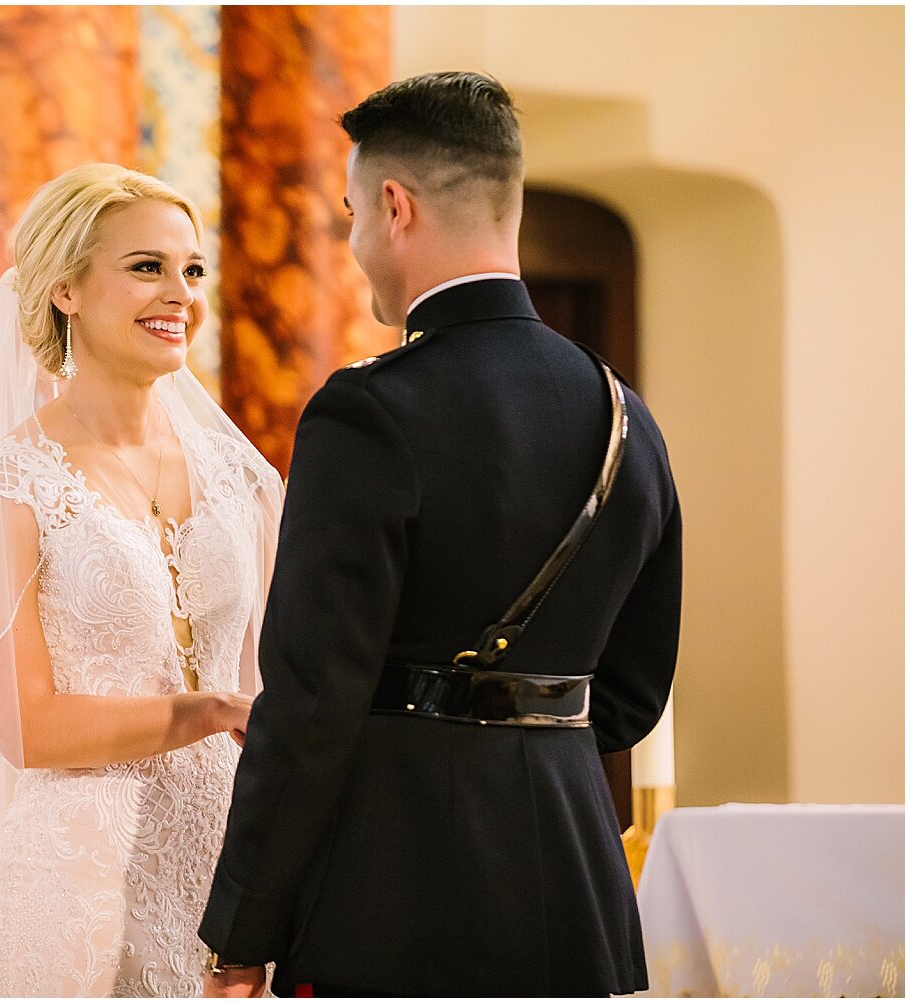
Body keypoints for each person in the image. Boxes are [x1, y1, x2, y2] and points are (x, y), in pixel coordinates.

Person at [199, 72, 681, 997]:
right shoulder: (626, 414)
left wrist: (243, 932)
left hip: (401, 889)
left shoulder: (365, 415)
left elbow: (309, 702)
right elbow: (631, 694)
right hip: (577, 884)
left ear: (394, 205)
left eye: (351, 215)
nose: (354, 246)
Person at [0, 164, 284, 997]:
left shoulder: (242, 476)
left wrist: (271, 888)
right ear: (65, 290)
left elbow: (268, 681)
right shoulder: (4, 486)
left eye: (192, 269)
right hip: (81, 873)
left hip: (228, 868)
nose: (180, 294)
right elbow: (23, 724)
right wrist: (202, 711)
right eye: (146, 267)